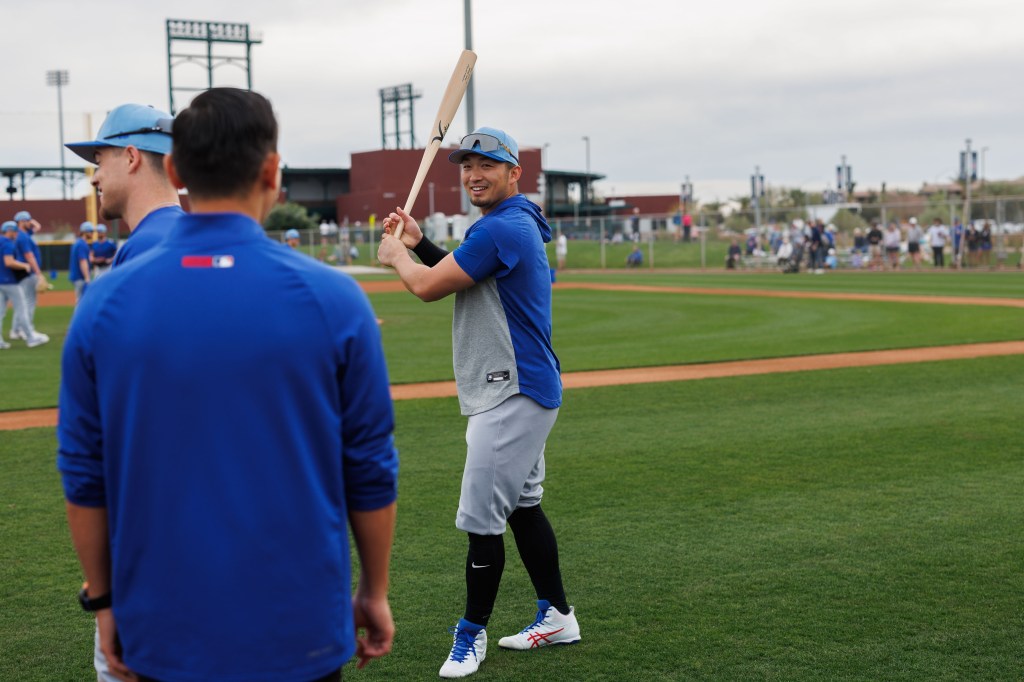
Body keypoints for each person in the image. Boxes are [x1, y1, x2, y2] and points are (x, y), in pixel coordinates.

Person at [57, 87, 398, 682]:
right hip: (298, 626)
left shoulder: (103, 301)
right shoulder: (336, 299)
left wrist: (104, 601)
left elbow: (84, 473)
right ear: (272, 171)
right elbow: (369, 466)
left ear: (176, 171)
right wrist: (373, 589)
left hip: (162, 625)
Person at [377, 126, 580, 679]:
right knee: (522, 506)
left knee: (482, 519)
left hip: (511, 388)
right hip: (522, 386)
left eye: (486, 165)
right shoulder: (507, 225)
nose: (473, 175)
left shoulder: (501, 227)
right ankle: (558, 616)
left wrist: (397, 256)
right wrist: (419, 244)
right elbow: (464, 274)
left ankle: (470, 636)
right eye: (467, 166)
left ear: (515, 172)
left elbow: (427, 287)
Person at [65, 103, 184, 267]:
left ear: (131, 158)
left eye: (99, 163)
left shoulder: (144, 246)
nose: (94, 179)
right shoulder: (193, 234)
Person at [1, 221, 48, 348]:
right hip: (10, 282)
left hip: (1, 281)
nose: (16, 233)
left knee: (1, 312)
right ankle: (31, 338)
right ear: (10, 231)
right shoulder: (7, 243)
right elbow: (8, 262)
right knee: (22, 309)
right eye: (15, 231)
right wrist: (24, 265)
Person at [69, 221, 93, 301]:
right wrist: (87, 278)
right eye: (91, 231)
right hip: (80, 277)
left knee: (81, 300)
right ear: (85, 232)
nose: (92, 233)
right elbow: (83, 261)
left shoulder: (79, 243)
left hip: (78, 277)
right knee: (81, 302)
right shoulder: (81, 244)